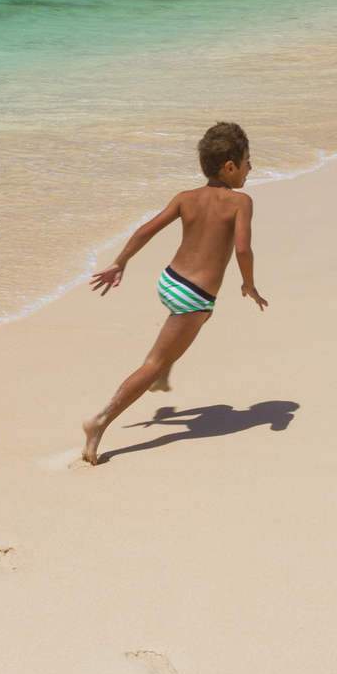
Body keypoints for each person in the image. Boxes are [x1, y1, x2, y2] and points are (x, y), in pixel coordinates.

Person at [82, 121, 268, 464]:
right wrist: (249, 284)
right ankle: (100, 421)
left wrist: (120, 262)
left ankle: (165, 369)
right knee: (155, 360)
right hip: (193, 296)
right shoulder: (241, 202)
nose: (250, 168)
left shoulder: (185, 198)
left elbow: (145, 230)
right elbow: (243, 249)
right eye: (247, 161)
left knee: (195, 320)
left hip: (169, 281)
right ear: (229, 167)